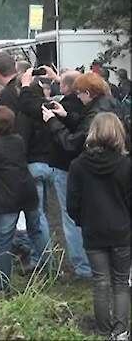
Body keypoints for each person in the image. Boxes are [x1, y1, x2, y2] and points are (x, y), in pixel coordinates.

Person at [17, 67, 93, 278]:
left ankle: (82, 267)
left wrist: (24, 85)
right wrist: (58, 77)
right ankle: (95, 263)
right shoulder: (96, 105)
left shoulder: (64, 106)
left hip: (63, 165)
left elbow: (29, 105)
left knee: (65, 217)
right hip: (84, 166)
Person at [0, 106, 48, 294]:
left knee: (4, 240)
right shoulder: (18, 141)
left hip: (7, 198)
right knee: (36, 231)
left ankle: (3, 285)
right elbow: (3, 152)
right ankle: (51, 269)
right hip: (27, 193)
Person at [66, 112, 131, 336]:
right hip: (122, 230)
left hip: (93, 229)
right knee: (121, 283)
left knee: (100, 281)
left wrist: (82, 221)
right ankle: (120, 331)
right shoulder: (126, 165)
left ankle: (104, 330)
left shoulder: (77, 166)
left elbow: (72, 203)